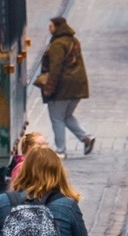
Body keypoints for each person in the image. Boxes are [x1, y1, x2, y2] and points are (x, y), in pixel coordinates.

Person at [36, 16, 96, 155]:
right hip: (77, 86)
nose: (49, 29)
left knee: (57, 118)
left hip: (63, 87)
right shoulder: (73, 41)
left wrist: (49, 87)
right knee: (67, 116)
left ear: (57, 27)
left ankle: (60, 150)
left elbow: (55, 68)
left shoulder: (58, 44)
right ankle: (86, 138)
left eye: (51, 26)